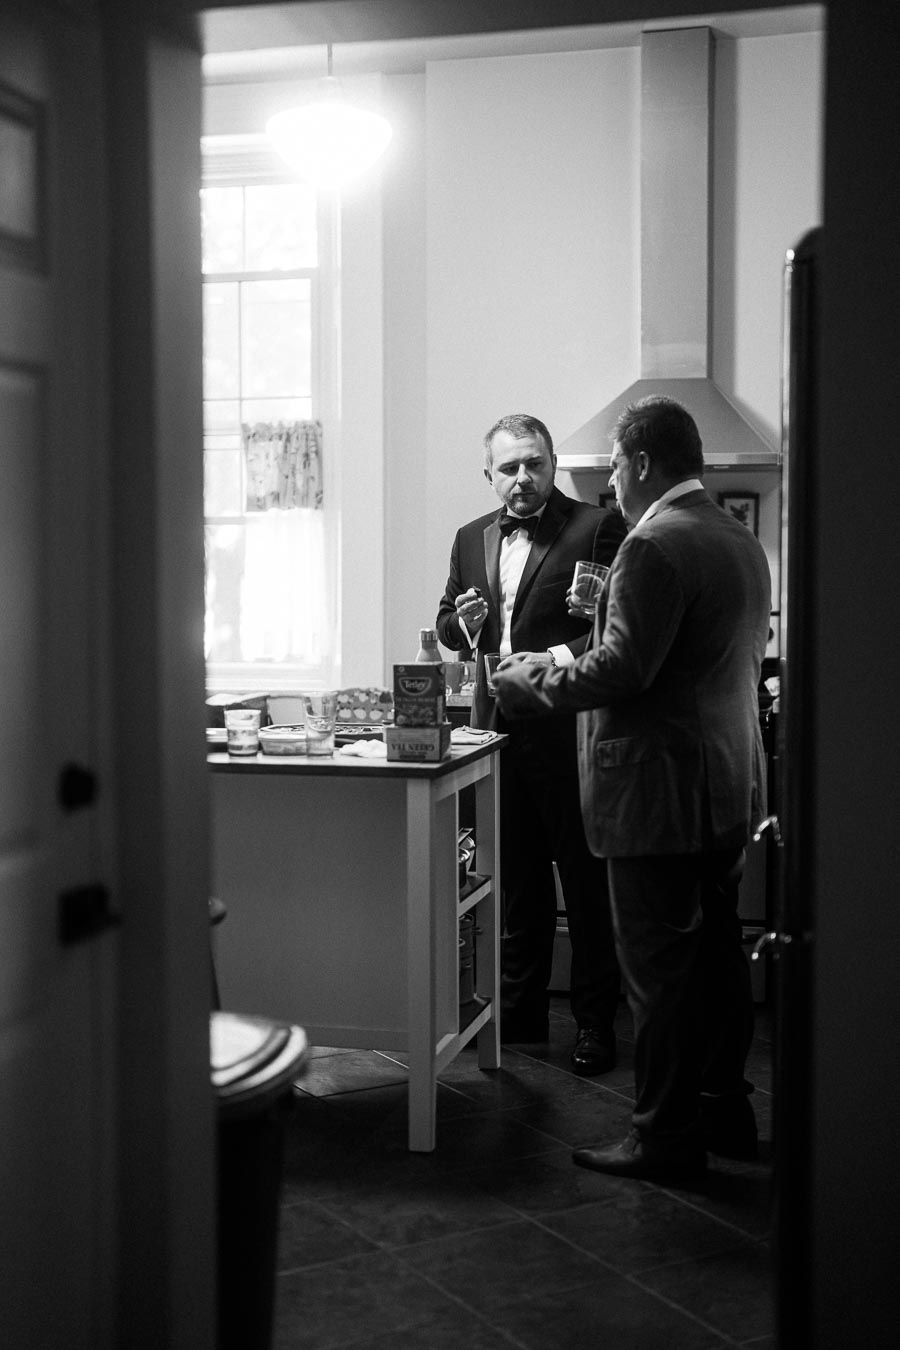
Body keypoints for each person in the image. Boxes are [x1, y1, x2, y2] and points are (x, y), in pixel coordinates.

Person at [494, 396, 771, 1180]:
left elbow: (623, 666)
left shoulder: (654, 546)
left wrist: (531, 681)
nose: (611, 481)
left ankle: (663, 1136)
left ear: (641, 463)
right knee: (718, 964)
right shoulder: (737, 540)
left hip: (656, 795)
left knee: (655, 976)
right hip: (727, 784)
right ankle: (725, 1110)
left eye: (613, 465)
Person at [436, 413, 625, 1073]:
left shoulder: (597, 527)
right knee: (515, 882)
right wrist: (461, 627)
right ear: (488, 474)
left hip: (570, 729)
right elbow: (448, 624)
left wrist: (543, 661)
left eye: (533, 464)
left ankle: (595, 1024)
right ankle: (519, 1012)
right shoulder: (468, 538)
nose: (522, 477)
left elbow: (610, 630)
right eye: (509, 467)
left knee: (584, 878)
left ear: (552, 465)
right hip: (496, 735)